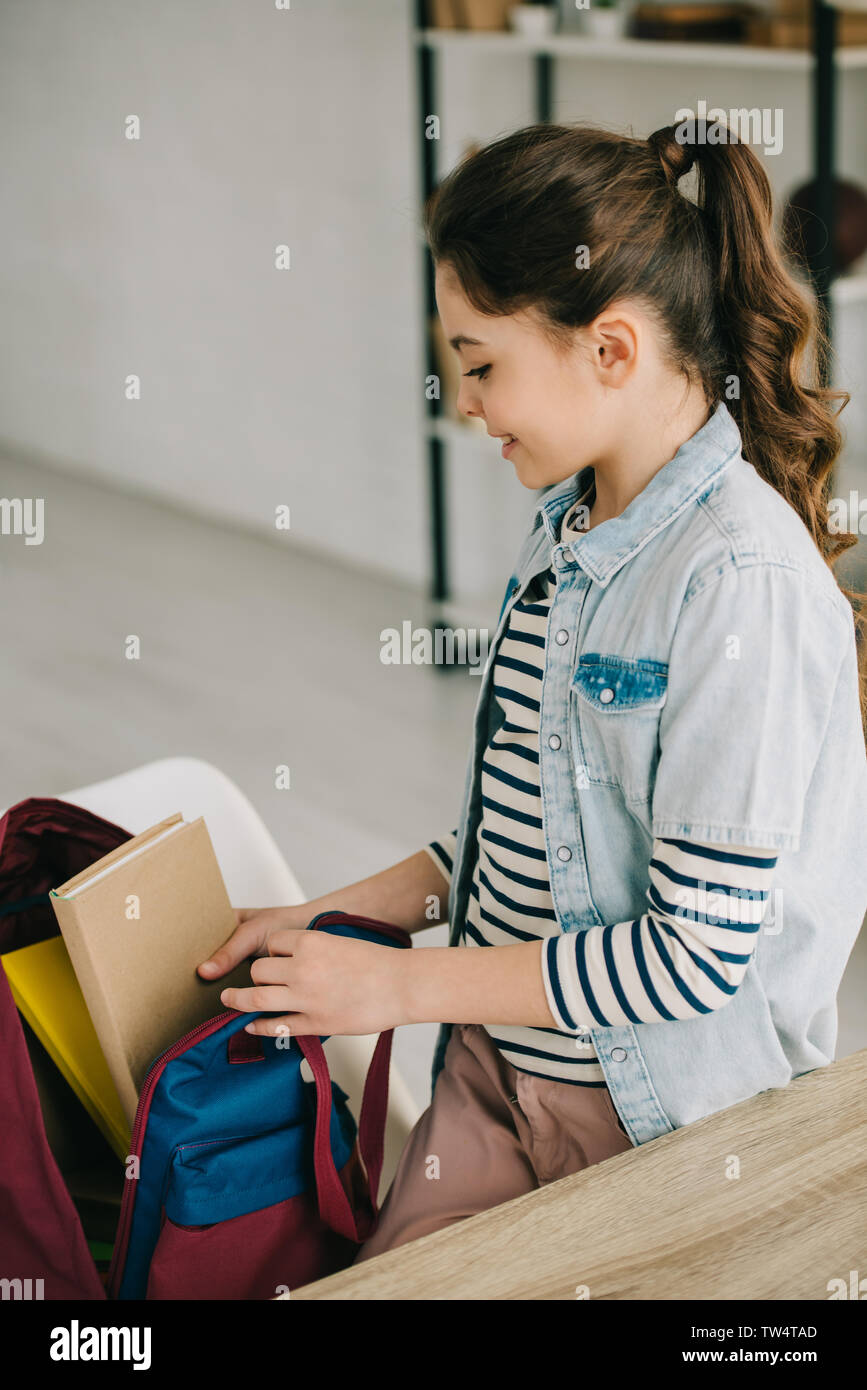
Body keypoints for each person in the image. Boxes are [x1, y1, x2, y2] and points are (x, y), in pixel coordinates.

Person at [198, 120, 867, 1262]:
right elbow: (524, 834)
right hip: (496, 1072)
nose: (465, 401)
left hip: (658, 1123)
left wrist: (399, 991)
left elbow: (690, 954)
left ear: (609, 349)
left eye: (480, 362)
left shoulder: (739, 582)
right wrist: (341, 916)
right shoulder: (568, 529)